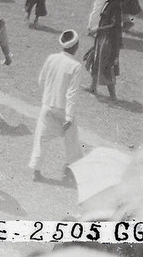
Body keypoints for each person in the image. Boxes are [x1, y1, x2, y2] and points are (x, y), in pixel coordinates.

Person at [29, 29, 85, 181]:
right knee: (72, 141)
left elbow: (42, 80)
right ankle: (71, 170)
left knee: (41, 138)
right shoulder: (76, 66)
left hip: (48, 106)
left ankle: (36, 170)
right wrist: (69, 116)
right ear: (76, 46)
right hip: (63, 109)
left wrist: (47, 98)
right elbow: (72, 93)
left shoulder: (52, 58)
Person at [86, 0, 124, 99]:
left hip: (109, 39)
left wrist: (97, 30)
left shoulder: (116, 5)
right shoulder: (109, 2)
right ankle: (93, 87)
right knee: (96, 60)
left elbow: (113, 25)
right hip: (103, 36)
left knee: (107, 63)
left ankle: (113, 95)